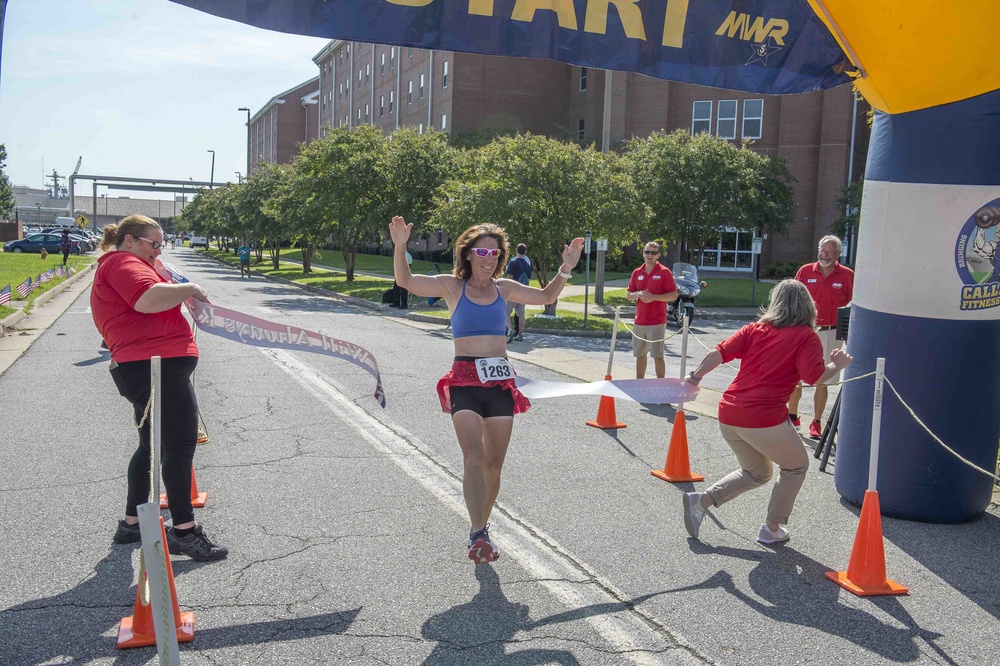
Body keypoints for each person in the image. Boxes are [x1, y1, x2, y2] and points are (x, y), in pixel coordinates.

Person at [389, 215, 583, 564]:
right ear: (468, 253)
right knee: (473, 457)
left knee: (494, 465)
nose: (488, 257)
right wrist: (401, 245)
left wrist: (565, 268)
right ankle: (478, 534)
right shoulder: (452, 286)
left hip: (499, 382)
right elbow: (405, 280)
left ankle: (482, 525)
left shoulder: (504, 289)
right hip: (464, 378)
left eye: (495, 253)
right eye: (482, 250)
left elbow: (547, 295)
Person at [90, 214, 227, 562]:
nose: (158, 251)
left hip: (150, 366)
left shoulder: (124, 262)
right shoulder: (122, 262)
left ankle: (132, 522)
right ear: (131, 240)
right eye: (154, 244)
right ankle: (184, 531)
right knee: (179, 447)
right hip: (155, 366)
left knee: (151, 444)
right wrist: (190, 289)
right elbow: (146, 299)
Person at [681, 279, 853, 544]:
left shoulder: (755, 328)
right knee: (796, 466)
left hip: (729, 412)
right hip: (762, 416)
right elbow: (814, 378)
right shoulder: (806, 336)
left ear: (776, 302)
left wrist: (695, 377)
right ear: (808, 306)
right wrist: (836, 364)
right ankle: (771, 527)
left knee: (757, 472)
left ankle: (701, 501)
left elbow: (720, 351)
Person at [787, 235, 855, 439]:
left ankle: (816, 422)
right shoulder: (806, 271)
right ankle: (792, 417)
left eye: (829, 251)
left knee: (822, 378)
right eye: (822, 250)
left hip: (831, 333)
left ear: (838, 253)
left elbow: (853, 307)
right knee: (795, 376)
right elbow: (793, 299)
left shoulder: (847, 276)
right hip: (805, 330)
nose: (824, 254)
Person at [625, 241, 678, 379]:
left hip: (657, 321)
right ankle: (639, 384)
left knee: (657, 356)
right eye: (647, 252)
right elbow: (628, 295)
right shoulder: (637, 272)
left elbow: (673, 295)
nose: (650, 255)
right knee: (640, 355)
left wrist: (653, 297)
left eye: (653, 253)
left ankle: (660, 385)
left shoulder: (665, 272)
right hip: (639, 321)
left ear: (658, 255)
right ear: (643, 253)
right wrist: (638, 294)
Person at [503, 243, 532, 342]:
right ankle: (520, 334)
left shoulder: (513, 262)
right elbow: (528, 280)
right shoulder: (528, 265)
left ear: (516, 251)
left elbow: (510, 278)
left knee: (505, 312)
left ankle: (510, 330)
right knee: (521, 314)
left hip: (513, 293)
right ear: (525, 252)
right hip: (522, 293)